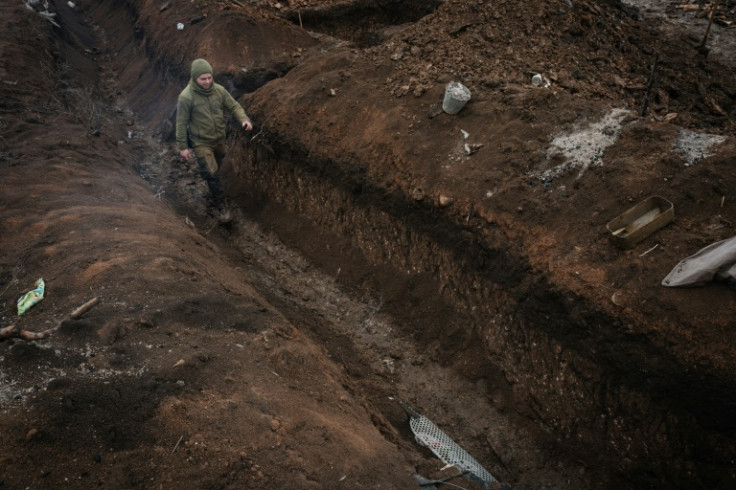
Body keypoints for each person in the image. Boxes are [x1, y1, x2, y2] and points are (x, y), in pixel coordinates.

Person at [176, 58, 253, 223]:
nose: (207, 82)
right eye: (202, 79)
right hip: (200, 142)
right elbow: (181, 123)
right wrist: (183, 146)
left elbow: (234, 106)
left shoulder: (218, 90)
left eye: (209, 78)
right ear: (195, 78)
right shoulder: (186, 97)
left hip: (219, 139)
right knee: (212, 173)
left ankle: (212, 188)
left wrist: (243, 119)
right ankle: (222, 207)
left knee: (216, 167)